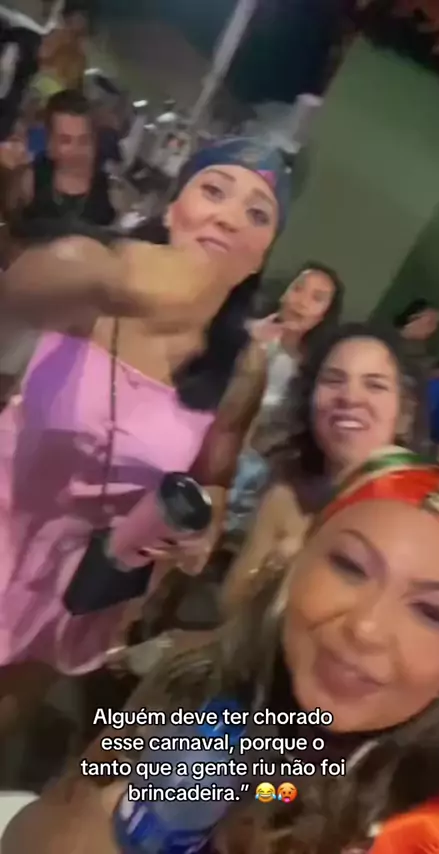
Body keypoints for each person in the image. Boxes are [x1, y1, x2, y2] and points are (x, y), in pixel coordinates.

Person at [6, 446, 439, 854]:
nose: (367, 628)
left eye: (432, 612)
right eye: (350, 566)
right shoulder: (199, 679)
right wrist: (118, 813)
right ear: (296, 565)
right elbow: (35, 826)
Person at [0, 138, 289, 718]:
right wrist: (115, 281)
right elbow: (20, 296)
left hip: (81, 579)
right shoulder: (94, 282)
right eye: (214, 191)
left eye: (257, 214)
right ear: (174, 209)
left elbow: (214, 475)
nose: (229, 217)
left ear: (259, 257)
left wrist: (200, 527)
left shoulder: (240, 364)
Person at [222, 323, 423, 615]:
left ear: (405, 413)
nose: (350, 397)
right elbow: (230, 607)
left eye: (375, 385)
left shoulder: (423, 522)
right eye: (333, 380)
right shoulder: (286, 498)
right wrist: (272, 575)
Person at [225, 261, 344, 545]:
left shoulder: (314, 372)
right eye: (298, 289)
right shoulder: (245, 335)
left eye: (316, 298)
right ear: (284, 293)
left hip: (255, 473)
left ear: (325, 315)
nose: (301, 302)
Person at [0, 89, 116, 227]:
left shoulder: (111, 191)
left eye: (84, 140)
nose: (76, 150)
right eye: (65, 141)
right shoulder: (27, 180)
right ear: (50, 143)